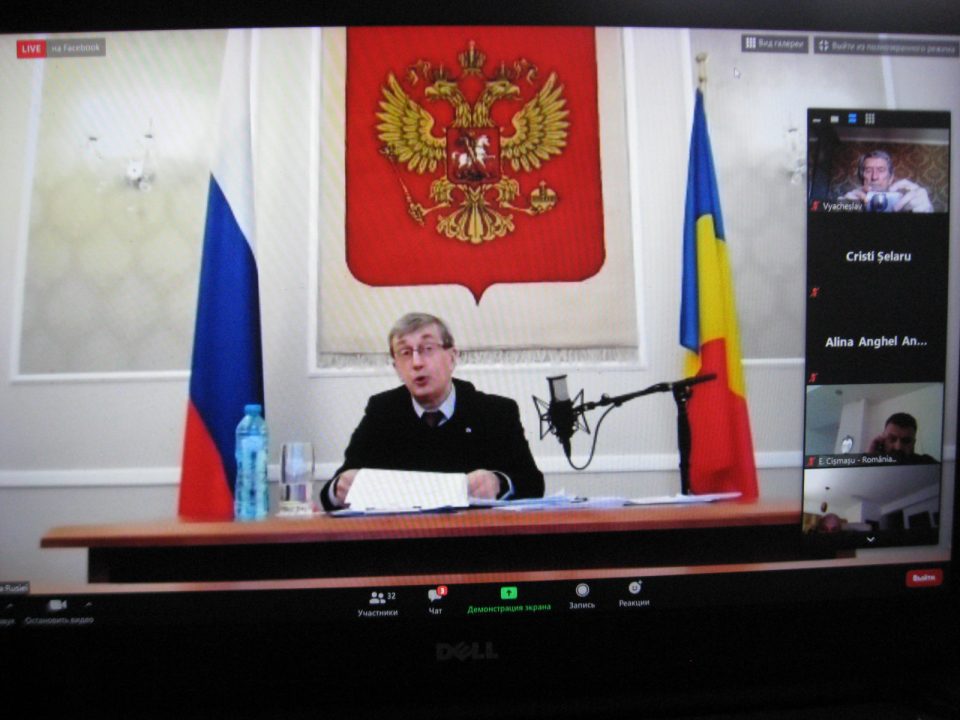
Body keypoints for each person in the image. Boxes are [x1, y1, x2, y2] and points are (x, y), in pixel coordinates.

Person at [320, 312, 545, 510]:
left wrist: (499, 483)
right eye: (405, 352)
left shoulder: (495, 412)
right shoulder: (382, 412)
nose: (416, 363)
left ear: (452, 357)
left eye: (427, 349)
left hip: (474, 538)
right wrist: (339, 487)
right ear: (396, 368)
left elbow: (533, 484)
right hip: (404, 539)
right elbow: (334, 491)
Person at [841, 149, 933, 212]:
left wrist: (927, 211)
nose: (874, 177)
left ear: (890, 179)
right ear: (862, 177)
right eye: (868, 170)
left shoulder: (905, 204)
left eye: (881, 170)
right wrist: (840, 208)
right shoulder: (852, 203)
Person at [866, 412, 937, 463]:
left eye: (906, 441)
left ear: (913, 443)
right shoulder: (876, 461)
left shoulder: (926, 462)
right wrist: (869, 457)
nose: (898, 447)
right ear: (883, 440)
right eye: (892, 439)